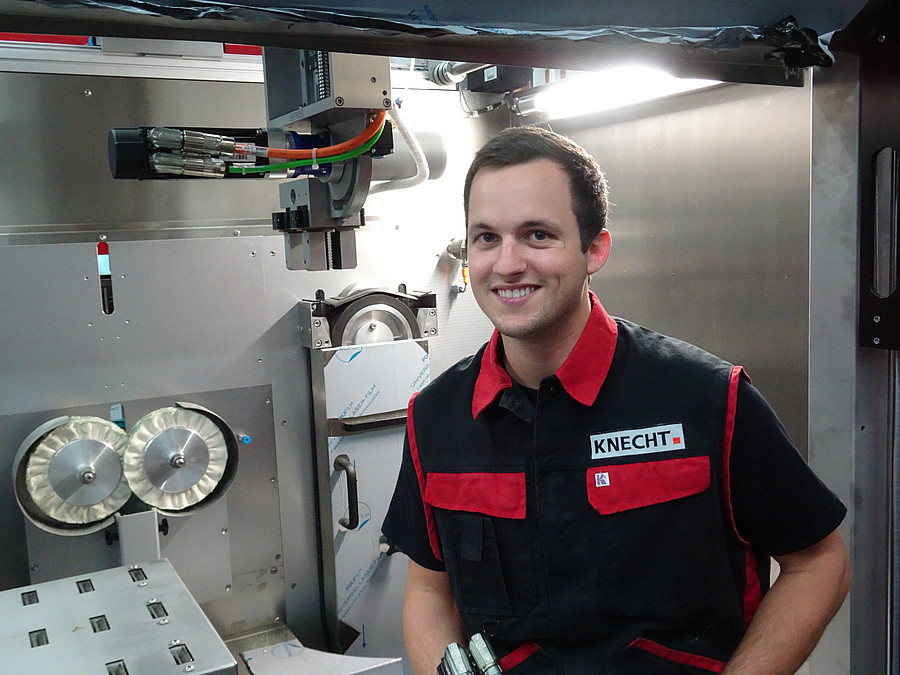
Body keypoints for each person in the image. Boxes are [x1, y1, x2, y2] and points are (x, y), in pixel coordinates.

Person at [381, 126, 850, 674]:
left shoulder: (707, 399)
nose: (507, 264)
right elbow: (429, 592)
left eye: (537, 235)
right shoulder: (436, 419)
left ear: (595, 249)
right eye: (486, 238)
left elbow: (819, 563)